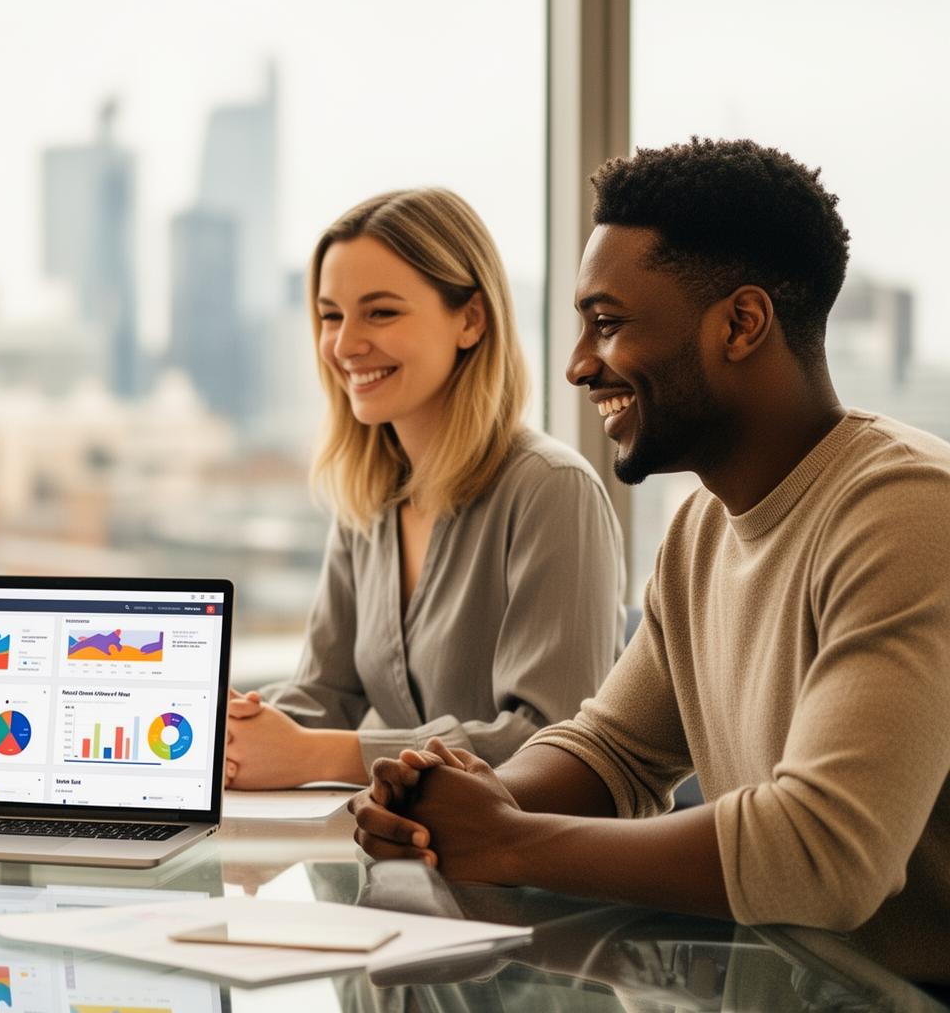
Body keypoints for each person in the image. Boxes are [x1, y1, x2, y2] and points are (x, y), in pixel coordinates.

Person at [350, 139, 950, 983]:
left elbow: (826, 852)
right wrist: (468, 799)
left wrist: (513, 842)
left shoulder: (909, 511)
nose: (578, 364)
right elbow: (614, 754)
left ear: (741, 324)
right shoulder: (703, 525)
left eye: (609, 323)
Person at [223, 188, 623, 789]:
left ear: (470, 319)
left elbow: (553, 741)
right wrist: (225, 728)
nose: (345, 343)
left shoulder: (551, 490)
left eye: (380, 312)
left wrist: (320, 756)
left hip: (539, 871)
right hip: (422, 859)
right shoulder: (369, 499)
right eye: (331, 315)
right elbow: (325, 694)